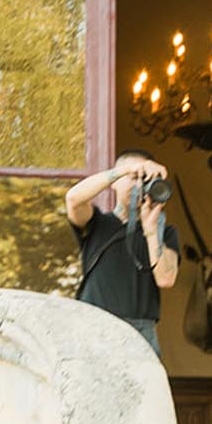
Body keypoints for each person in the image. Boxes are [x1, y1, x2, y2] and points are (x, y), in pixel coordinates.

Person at [64, 151, 179, 356]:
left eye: (144, 180)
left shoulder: (164, 232)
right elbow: (73, 198)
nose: (139, 185)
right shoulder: (97, 223)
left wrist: (151, 230)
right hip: (93, 325)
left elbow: (166, 279)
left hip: (141, 333)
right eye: (133, 178)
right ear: (114, 183)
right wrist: (123, 170)